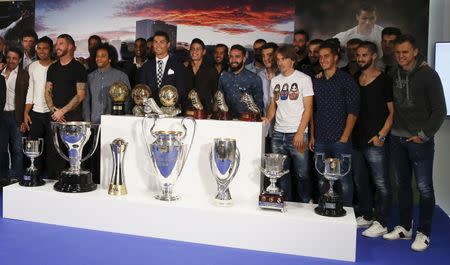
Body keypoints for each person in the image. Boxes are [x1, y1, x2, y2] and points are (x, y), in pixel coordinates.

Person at [383, 35, 446, 252]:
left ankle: (424, 233)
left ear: (415, 52)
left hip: (420, 141)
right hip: (397, 139)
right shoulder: (394, 73)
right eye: (398, 52)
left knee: (424, 188)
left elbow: (440, 111)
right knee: (402, 186)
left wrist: (423, 135)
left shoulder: (429, 75)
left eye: (405, 52)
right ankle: (404, 227)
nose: (401, 56)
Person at [351, 41, 394, 237]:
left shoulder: (384, 80)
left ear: (374, 56)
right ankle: (367, 215)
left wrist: (382, 135)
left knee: (381, 183)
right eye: (358, 55)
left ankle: (382, 221)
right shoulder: (354, 78)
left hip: (376, 141)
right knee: (361, 181)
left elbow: (393, 112)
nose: (360, 59)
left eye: (364, 55)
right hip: (357, 140)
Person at [311, 40, 360, 207]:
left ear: (336, 58)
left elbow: (353, 112)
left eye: (326, 56)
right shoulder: (316, 81)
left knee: (344, 180)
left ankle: (346, 212)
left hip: (341, 139)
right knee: (321, 179)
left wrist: (345, 137)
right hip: (321, 139)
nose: (322, 60)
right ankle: (325, 209)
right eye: (320, 57)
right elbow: (312, 111)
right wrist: (312, 136)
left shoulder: (347, 80)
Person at [262, 45, 314, 202]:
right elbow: (273, 105)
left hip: (297, 133)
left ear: (293, 60)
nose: (280, 62)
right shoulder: (275, 81)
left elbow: (308, 108)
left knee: (302, 173)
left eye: (284, 59)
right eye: (278, 59)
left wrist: (300, 132)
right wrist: (268, 118)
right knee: (281, 174)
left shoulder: (304, 79)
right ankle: (287, 203)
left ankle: (306, 203)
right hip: (278, 134)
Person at [83, 43, 130, 183]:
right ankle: (96, 184)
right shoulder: (90, 77)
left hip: (114, 125)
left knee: (112, 158)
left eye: (103, 56)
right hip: (94, 125)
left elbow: (127, 101)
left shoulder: (121, 76)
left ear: (110, 59)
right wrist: (87, 122)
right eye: (97, 56)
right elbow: (86, 102)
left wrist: (121, 121)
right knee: (95, 159)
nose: (99, 59)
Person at [22, 36, 57, 179]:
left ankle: (51, 179)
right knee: (35, 150)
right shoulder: (32, 67)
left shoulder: (56, 66)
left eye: (45, 48)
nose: (42, 51)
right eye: (39, 48)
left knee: (52, 149)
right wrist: (26, 113)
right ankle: (36, 178)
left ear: (51, 49)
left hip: (51, 113)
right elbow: (30, 90)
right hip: (35, 113)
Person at [0, 47, 29, 183]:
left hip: (16, 116)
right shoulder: (0, 72)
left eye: (14, 58)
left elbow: (27, 98)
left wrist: (24, 119)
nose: (11, 61)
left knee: (17, 149)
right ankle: (3, 177)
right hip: (2, 116)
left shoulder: (24, 75)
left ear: (19, 60)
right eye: (9, 57)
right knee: (1, 148)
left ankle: (16, 178)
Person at [139, 31, 186, 108]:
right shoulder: (146, 67)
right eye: (155, 42)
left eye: (162, 42)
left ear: (168, 45)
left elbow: (181, 92)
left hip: (171, 112)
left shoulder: (178, 66)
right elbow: (142, 90)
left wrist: (170, 106)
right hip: (150, 112)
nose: (158, 45)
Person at [218, 44, 263, 119]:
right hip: (227, 121)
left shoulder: (254, 78)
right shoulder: (224, 77)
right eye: (231, 56)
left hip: (247, 122)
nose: (233, 60)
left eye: (237, 56)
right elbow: (220, 102)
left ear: (244, 58)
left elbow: (259, 106)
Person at [183, 38, 217, 116]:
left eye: (198, 49)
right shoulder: (183, 69)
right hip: (185, 113)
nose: (194, 51)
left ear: (204, 52)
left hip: (205, 114)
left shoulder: (211, 71)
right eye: (192, 49)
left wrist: (213, 113)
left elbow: (216, 93)